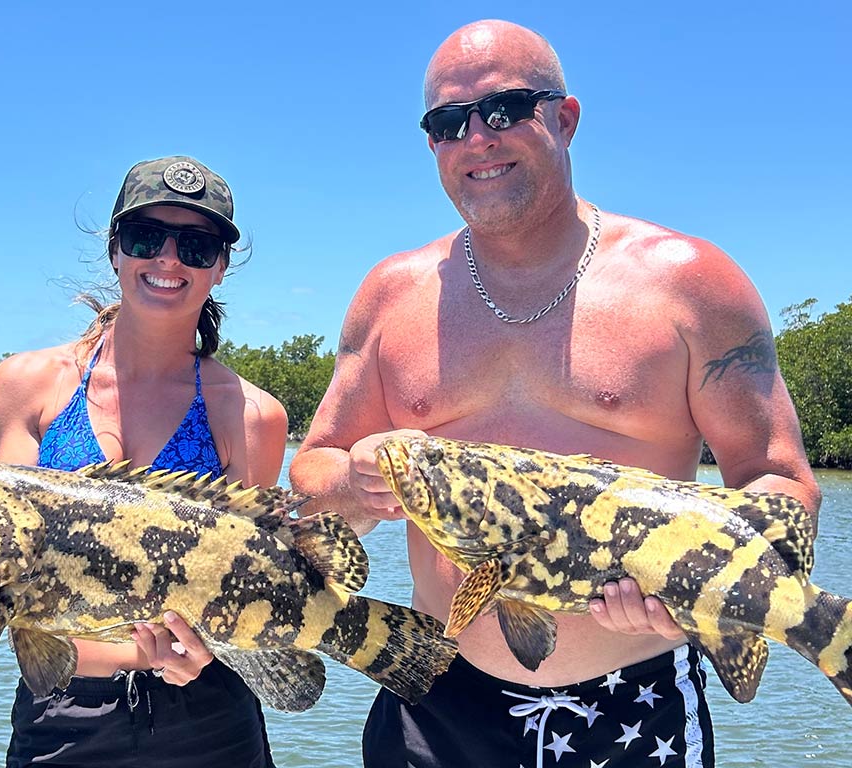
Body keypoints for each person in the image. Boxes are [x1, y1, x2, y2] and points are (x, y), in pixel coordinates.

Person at [289, 20, 821, 768]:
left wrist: (695, 600)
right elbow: (312, 475)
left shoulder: (690, 283)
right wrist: (358, 480)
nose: (477, 137)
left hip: (635, 702)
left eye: (504, 109)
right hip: (434, 700)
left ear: (565, 119)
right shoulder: (391, 295)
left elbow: (779, 482)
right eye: (448, 122)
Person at [0, 155, 288, 767]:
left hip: (211, 719)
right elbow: (7, 577)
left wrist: (202, 652)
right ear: (115, 250)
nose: (169, 260)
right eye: (146, 237)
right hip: (60, 718)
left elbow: (249, 584)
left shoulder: (252, 415)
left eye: (196, 246)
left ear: (220, 267)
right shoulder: (27, 384)